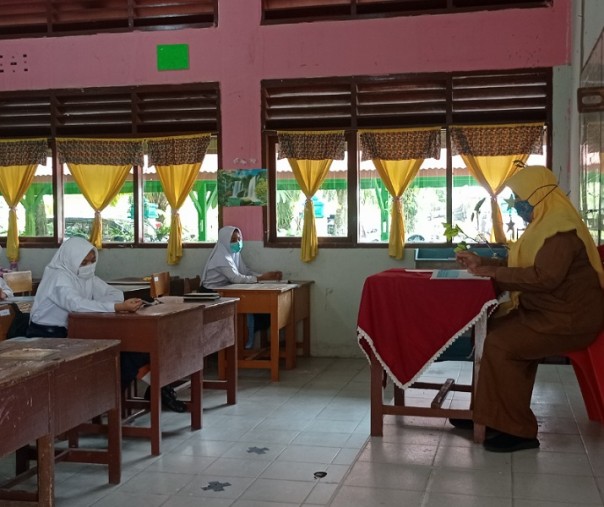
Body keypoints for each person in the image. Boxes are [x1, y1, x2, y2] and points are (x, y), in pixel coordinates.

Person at [452, 165, 604, 452]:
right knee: (490, 333)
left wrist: (491, 273)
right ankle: (486, 417)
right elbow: (521, 267)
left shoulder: (560, 230)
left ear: (537, 195)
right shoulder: (543, 225)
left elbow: (544, 278)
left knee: (501, 344)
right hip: (545, 313)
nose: (516, 204)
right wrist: (481, 264)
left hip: (568, 320)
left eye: (520, 197)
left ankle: (519, 431)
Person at [26, 236, 186, 412]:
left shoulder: (84, 276)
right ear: (70, 259)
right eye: (84, 262)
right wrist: (116, 307)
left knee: (134, 349)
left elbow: (113, 293)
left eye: (92, 261)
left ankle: (127, 395)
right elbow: (75, 304)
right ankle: (109, 400)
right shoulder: (59, 277)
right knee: (120, 354)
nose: (88, 266)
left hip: (75, 332)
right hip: (49, 337)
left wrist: (120, 303)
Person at [201, 225, 283, 349]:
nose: (237, 243)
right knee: (253, 306)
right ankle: (242, 345)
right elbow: (236, 278)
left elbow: (245, 273)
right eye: (233, 240)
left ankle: (246, 343)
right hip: (212, 294)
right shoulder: (221, 257)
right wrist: (261, 278)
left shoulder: (234, 254)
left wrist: (266, 277)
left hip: (226, 291)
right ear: (224, 241)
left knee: (258, 304)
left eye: (239, 239)